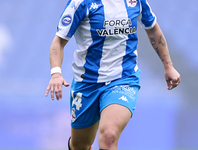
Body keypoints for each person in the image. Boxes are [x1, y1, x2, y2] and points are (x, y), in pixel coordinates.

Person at [45, 0, 181, 149]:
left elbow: (152, 29)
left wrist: (168, 66)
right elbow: (58, 41)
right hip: (87, 83)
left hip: (123, 79)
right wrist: (56, 73)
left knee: (109, 136)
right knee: (80, 145)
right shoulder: (81, 3)